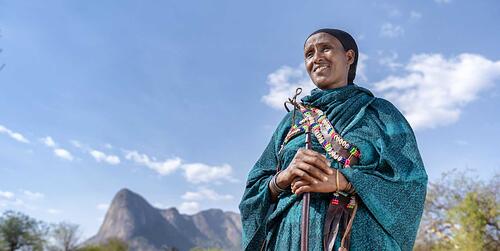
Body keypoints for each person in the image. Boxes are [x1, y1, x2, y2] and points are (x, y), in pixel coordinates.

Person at [239, 28, 428, 251]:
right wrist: (282, 178)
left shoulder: (379, 114)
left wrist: (343, 181)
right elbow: (252, 193)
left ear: (349, 57)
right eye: (309, 54)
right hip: (287, 240)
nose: (316, 57)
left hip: (357, 240)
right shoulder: (291, 122)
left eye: (325, 48)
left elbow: (411, 181)